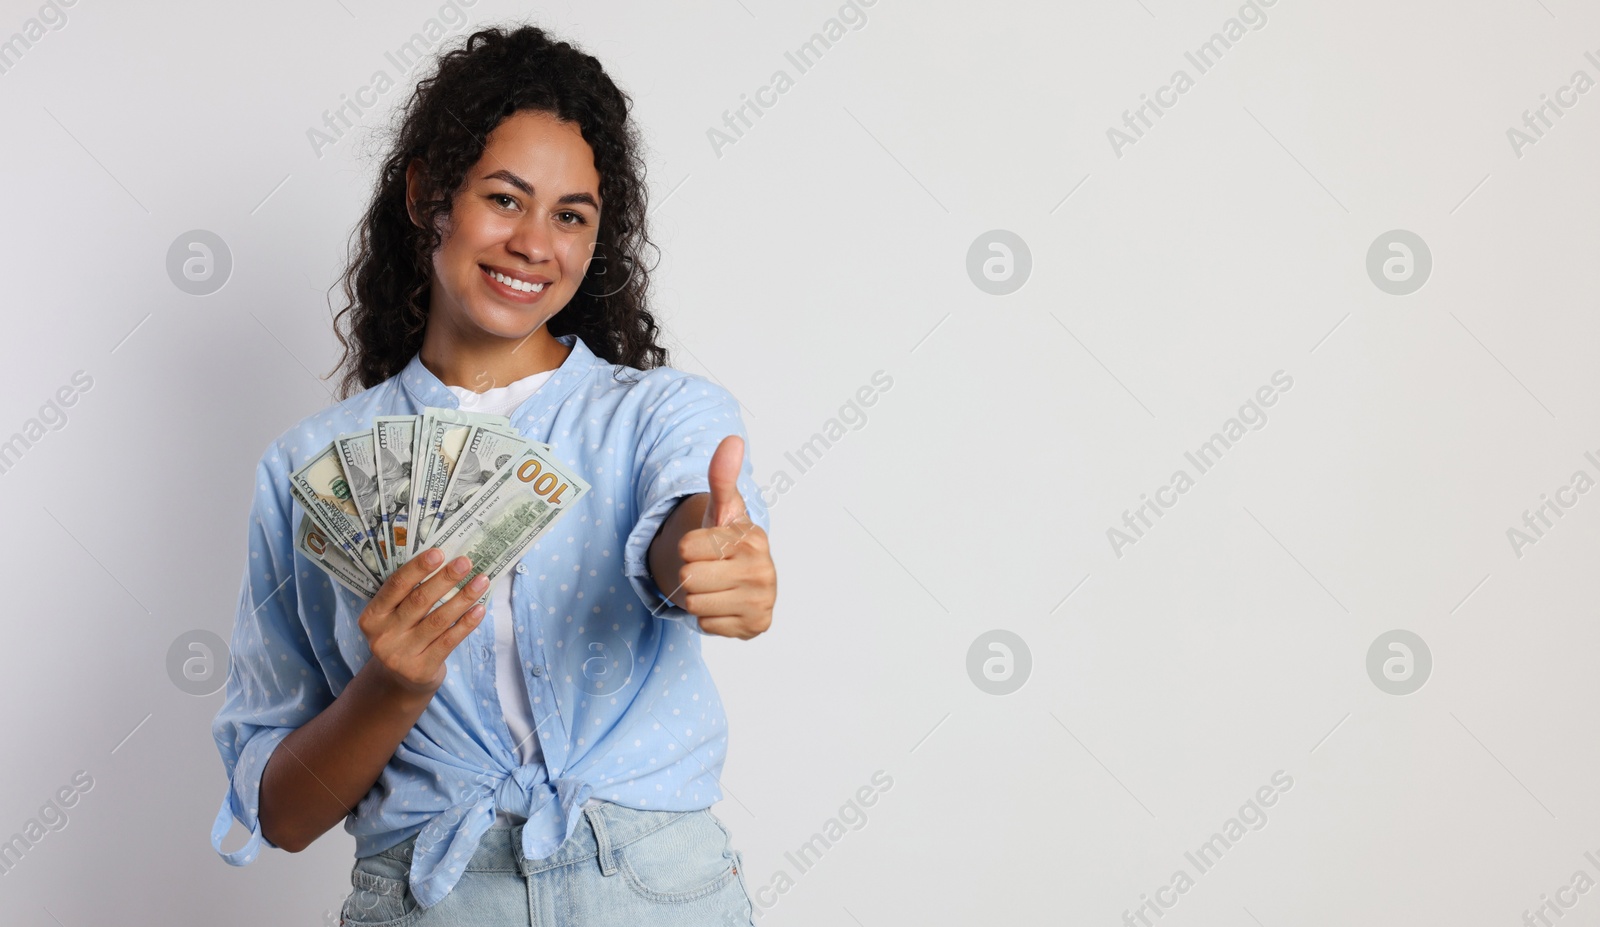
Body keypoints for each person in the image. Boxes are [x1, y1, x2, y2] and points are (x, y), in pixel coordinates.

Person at [209, 22, 778, 926]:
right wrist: (389, 688)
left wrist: (710, 557)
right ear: (428, 195)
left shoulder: (662, 414)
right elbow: (281, 813)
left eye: (571, 216)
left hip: (655, 890)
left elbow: (687, 528)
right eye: (505, 199)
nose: (534, 244)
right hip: (433, 896)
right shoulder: (308, 472)